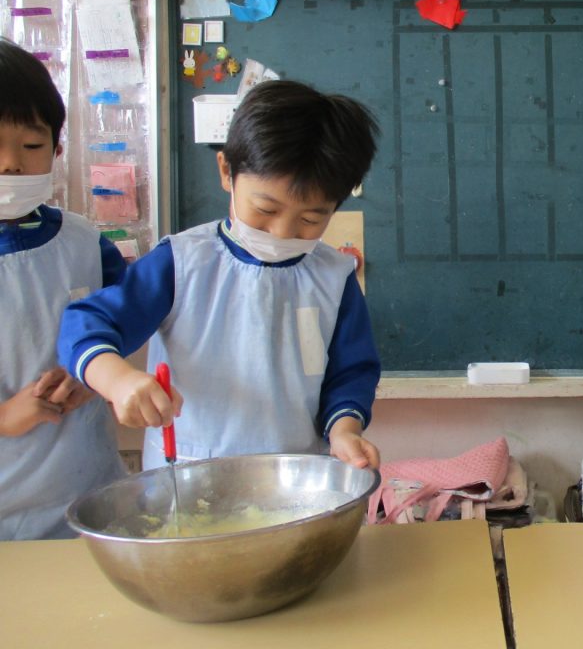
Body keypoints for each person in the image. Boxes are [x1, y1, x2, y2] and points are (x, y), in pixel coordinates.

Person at [59, 79, 382, 472]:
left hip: (295, 476)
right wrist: (117, 380)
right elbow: (86, 323)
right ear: (227, 171)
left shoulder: (333, 277)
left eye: (311, 219)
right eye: (265, 209)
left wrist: (345, 431)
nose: (282, 232)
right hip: (188, 475)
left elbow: (350, 372)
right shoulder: (182, 263)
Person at [0, 37, 127, 539]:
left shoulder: (83, 243)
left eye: (30, 147)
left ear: (56, 149)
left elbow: (125, 322)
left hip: (86, 496)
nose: (10, 164)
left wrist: (97, 372)